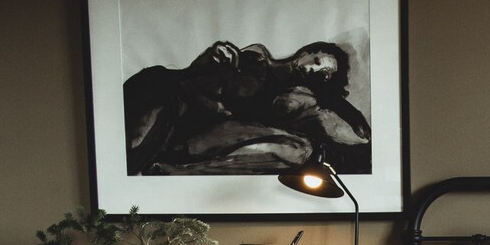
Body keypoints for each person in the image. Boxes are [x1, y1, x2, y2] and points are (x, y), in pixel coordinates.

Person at [122, 39, 372, 176]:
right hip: (172, 98)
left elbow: (359, 136)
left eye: (324, 73)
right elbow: (198, 81)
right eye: (316, 60)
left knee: (299, 149)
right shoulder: (255, 58)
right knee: (131, 153)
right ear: (305, 52)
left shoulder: (300, 99)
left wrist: (336, 101)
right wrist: (210, 62)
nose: (315, 69)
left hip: (199, 133)